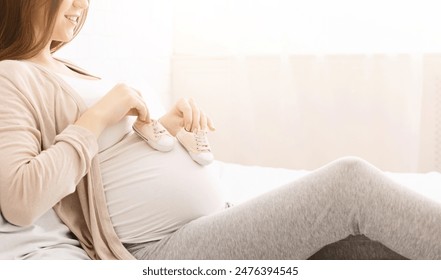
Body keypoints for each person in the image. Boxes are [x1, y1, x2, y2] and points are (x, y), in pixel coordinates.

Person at [0, 0, 440, 260]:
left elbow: (105, 161)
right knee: (350, 184)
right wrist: (98, 117)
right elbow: (21, 199)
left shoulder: (67, 66)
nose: (80, 5)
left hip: (208, 221)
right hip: (158, 251)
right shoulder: (11, 77)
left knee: (368, 243)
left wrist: (164, 130)